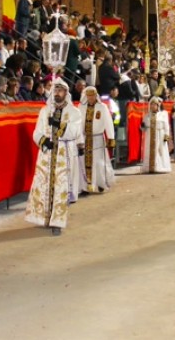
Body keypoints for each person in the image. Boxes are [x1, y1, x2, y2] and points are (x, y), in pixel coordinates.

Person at [24, 78, 82, 236]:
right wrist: (43, 141)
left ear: (66, 92)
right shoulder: (45, 111)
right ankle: (43, 217)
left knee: (60, 187)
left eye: (60, 90)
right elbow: (36, 132)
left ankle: (57, 221)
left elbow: (75, 132)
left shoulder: (74, 112)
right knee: (43, 185)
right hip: (47, 154)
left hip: (64, 154)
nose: (57, 93)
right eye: (55, 90)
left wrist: (58, 125)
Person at [77, 86, 115, 195]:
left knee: (99, 162)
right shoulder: (81, 107)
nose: (91, 98)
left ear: (96, 95)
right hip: (84, 139)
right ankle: (85, 186)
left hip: (97, 138)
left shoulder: (102, 107)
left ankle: (100, 183)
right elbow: (78, 124)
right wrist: (78, 139)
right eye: (89, 96)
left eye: (92, 95)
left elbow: (108, 122)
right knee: (83, 163)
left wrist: (111, 137)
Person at [140, 96, 171, 174]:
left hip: (160, 135)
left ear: (158, 106)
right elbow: (143, 129)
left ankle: (160, 167)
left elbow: (167, 126)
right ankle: (149, 167)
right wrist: (142, 126)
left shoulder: (163, 114)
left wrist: (166, 136)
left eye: (154, 104)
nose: (153, 106)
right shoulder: (147, 116)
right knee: (149, 151)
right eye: (151, 104)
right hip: (150, 136)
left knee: (160, 151)